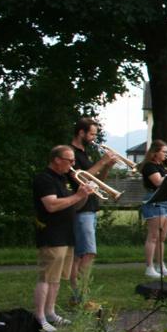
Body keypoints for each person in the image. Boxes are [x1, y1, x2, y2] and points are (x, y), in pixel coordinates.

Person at [33, 145, 93, 332]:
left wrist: (83, 195)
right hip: (52, 234)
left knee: (58, 279)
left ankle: (51, 312)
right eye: (69, 160)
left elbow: (74, 205)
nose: (73, 164)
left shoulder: (64, 178)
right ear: (57, 159)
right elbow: (51, 205)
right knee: (47, 277)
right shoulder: (45, 179)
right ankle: (39, 317)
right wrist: (77, 195)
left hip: (67, 233)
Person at [68, 117, 118, 303]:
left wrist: (107, 165)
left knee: (81, 254)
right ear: (81, 133)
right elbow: (79, 177)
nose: (94, 138)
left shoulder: (85, 153)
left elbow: (97, 181)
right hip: (80, 208)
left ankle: (79, 294)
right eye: (91, 134)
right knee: (86, 253)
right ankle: (81, 295)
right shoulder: (71, 153)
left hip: (90, 207)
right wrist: (102, 161)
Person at [141, 140, 167, 279]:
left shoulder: (162, 166)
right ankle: (149, 266)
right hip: (155, 201)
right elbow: (158, 182)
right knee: (153, 236)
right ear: (155, 152)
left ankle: (160, 265)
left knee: (162, 237)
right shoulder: (149, 166)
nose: (166, 155)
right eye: (164, 152)